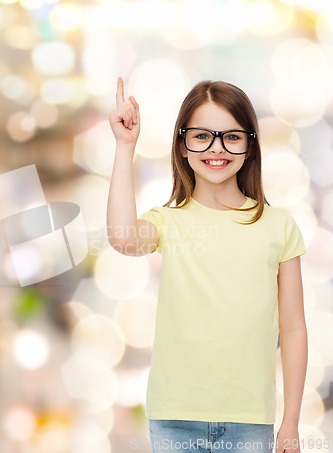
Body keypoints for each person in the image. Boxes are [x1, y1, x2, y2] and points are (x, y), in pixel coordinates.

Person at [107, 77, 307, 453]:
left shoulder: (279, 226)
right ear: (182, 146)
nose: (217, 148)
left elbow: (293, 328)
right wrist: (124, 147)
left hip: (249, 420)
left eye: (232, 136)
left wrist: (291, 420)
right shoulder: (169, 221)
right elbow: (122, 238)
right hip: (174, 417)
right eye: (201, 136)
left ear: (250, 147)